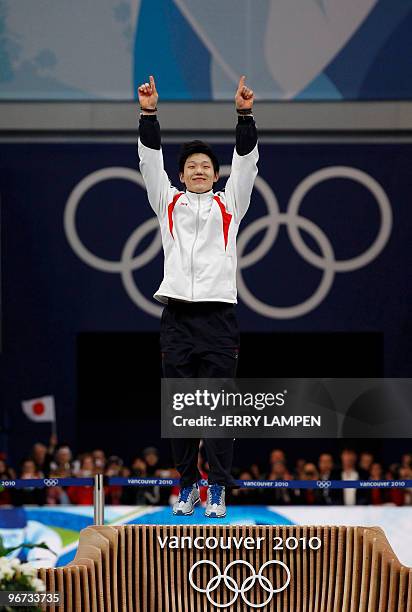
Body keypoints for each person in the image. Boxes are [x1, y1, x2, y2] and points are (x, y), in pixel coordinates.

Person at [137, 74, 258, 518]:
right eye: (192, 166)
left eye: (206, 164)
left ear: (215, 172)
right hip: (177, 321)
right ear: (182, 174)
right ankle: (189, 486)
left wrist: (244, 115)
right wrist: (148, 114)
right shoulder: (168, 202)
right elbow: (150, 162)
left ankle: (219, 489)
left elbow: (247, 163)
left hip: (218, 319)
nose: (200, 169)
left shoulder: (231, 205)